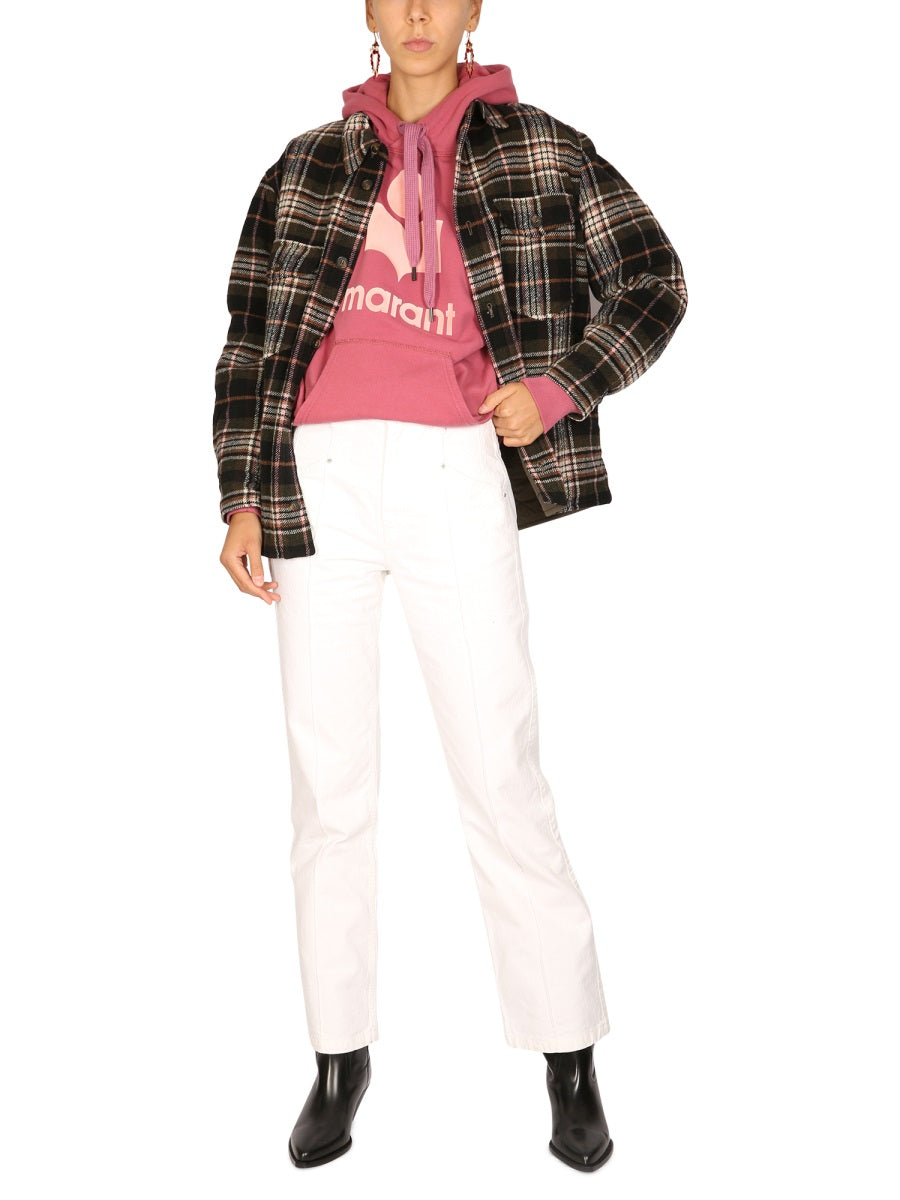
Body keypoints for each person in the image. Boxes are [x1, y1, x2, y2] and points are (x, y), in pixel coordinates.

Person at [213, 0, 687, 1173]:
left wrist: (560, 388)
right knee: (328, 788)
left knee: (500, 770)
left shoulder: (542, 148)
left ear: (475, 7)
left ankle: (568, 1055)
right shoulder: (305, 163)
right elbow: (249, 337)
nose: (418, 11)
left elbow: (655, 280)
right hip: (315, 479)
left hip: (453, 466)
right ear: (367, 12)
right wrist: (242, 493)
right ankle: (339, 1057)